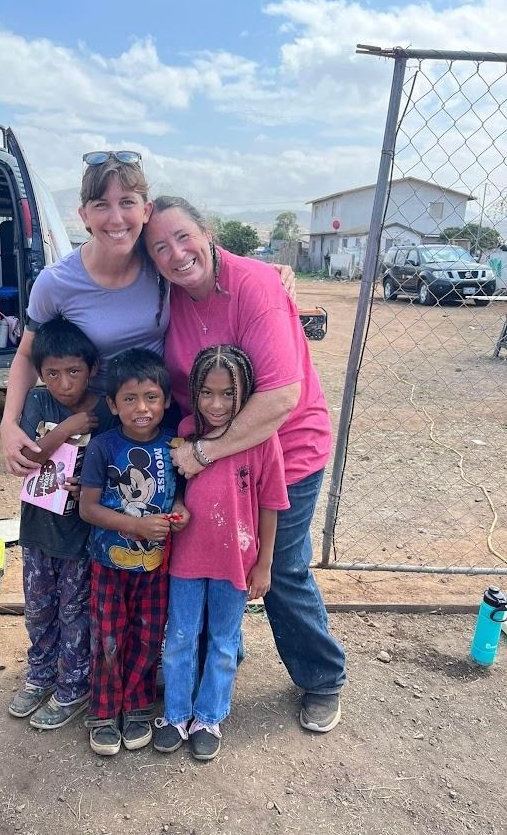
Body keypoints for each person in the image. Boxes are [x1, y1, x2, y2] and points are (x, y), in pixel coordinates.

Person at [142, 196, 347, 733]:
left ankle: (322, 677)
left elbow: (281, 395)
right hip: (208, 450)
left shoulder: (254, 285)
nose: (176, 254)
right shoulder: (171, 296)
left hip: (283, 448)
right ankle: (217, 655)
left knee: (278, 568)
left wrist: (204, 453)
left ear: (208, 232)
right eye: (159, 247)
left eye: (183, 237)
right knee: (208, 557)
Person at [0, 150, 293, 476]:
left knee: (161, 515)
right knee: (96, 514)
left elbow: (200, 252)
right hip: (100, 417)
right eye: (101, 205)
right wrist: (9, 423)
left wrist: (270, 272)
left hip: (163, 412)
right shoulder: (56, 283)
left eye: (127, 202)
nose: (116, 218)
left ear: (145, 209)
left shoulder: (160, 262)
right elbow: (27, 355)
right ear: (83, 214)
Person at [154, 345, 288, 761]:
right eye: (207, 393)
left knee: (224, 641)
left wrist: (264, 564)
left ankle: (209, 715)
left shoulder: (261, 439)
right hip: (187, 559)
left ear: (246, 392)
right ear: (194, 391)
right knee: (179, 637)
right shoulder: (187, 430)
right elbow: (175, 487)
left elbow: (271, 504)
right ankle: (176, 714)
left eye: (228, 394)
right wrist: (176, 506)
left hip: (236, 561)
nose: (217, 404)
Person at [79, 349, 189, 756]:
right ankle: (105, 711)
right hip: (108, 564)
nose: (141, 408)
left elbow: (179, 495)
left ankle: (139, 705)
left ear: (165, 400)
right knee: (108, 636)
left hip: (156, 566)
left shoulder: (174, 446)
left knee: (147, 637)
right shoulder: (103, 447)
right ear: (112, 404)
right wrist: (137, 525)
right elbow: (88, 508)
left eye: (151, 397)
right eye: (129, 399)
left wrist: (178, 511)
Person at [8, 316, 116, 729]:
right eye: (52, 373)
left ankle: (73, 685)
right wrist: (67, 430)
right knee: (38, 609)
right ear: (39, 373)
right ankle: (40, 675)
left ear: (91, 369)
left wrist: (88, 488)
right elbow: (28, 457)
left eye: (73, 371)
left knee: (75, 611)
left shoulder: (106, 410)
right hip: (37, 531)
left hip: (80, 535)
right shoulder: (36, 403)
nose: (64, 383)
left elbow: (113, 471)